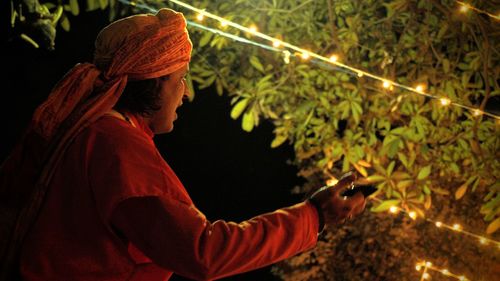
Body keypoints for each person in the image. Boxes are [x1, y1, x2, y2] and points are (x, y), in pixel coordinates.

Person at [0, 8, 366, 281]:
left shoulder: (97, 133)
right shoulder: (115, 145)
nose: (187, 93)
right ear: (153, 81)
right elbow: (204, 252)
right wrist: (314, 216)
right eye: (181, 78)